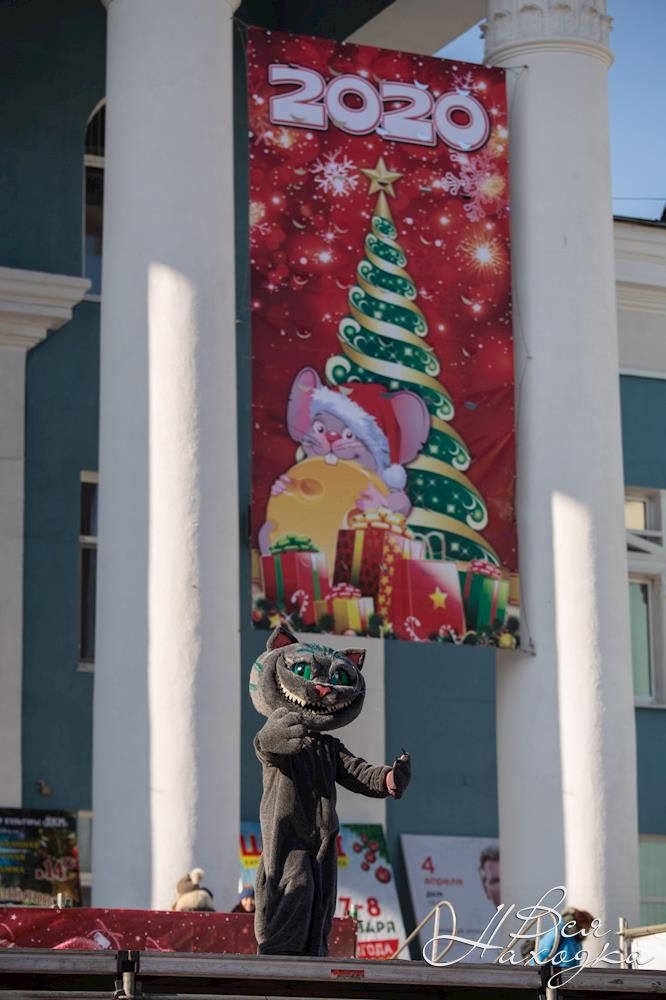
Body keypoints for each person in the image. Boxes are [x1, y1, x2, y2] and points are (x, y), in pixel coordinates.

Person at [530, 907, 595, 970]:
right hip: (553, 973)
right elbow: (543, 951)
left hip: (566, 974)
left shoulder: (576, 940)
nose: (587, 931)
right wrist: (534, 971)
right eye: (587, 927)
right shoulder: (557, 932)